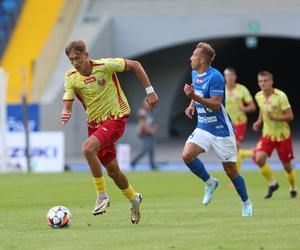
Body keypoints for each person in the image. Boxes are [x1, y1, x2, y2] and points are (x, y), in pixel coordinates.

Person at [61, 40, 159, 224]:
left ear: (86, 55)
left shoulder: (105, 65)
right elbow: (68, 102)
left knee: (87, 149)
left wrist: (150, 91)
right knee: (113, 171)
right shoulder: (71, 76)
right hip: (95, 125)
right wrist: (66, 110)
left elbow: (136, 65)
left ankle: (101, 195)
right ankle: (133, 199)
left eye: (78, 58)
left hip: (116, 118)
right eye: (71, 59)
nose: (75, 62)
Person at [182, 42, 252, 217]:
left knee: (231, 171)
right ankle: (210, 182)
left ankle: (246, 203)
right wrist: (192, 104)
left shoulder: (216, 77)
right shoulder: (194, 72)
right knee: (187, 155)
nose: (191, 58)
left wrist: (194, 96)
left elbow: (215, 104)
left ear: (202, 59)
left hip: (221, 130)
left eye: (194, 56)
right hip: (204, 127)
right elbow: (195, 89)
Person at [252, 71, 297, 199]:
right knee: (259, 159)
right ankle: (273, 184)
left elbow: (290, 116)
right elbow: (262, 108)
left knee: (287, 166)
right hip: (267, 135)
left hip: (283, 136)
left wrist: (275, 117)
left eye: (265, 81)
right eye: (260, 81)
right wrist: (259, 121)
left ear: (271, 82)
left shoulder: (281, 96)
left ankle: (293, 187)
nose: (263, 83)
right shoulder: (258, 96)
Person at [224, 67, 256, 172]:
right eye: (226, 75)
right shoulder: (221, 90)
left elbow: (253, 107)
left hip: (239, 122)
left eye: (230, 75)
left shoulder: (242, 89)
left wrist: (244, 108)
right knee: (230, 150)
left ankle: (236, 176)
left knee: (235, 147)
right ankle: (249, 153)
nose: (228, 78)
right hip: (226, 124)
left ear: (235, 77)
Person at [131, 98, 158, 170]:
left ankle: (152, 165)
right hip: (145, 133)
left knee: (151, 149)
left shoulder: (150, 112)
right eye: (147, 102)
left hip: (150, 133)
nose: (148, 104)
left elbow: (154, 122)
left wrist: (154, 129)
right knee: (145, 149)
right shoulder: (142, 112)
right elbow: (142, 124)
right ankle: (133, 162)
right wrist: (150, 130)